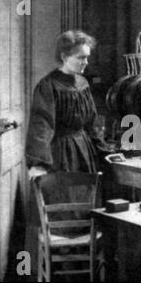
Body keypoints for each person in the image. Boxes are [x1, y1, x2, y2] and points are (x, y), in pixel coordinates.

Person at [26, 30, 110, 178]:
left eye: (87, 57)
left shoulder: (83, 84)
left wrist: (104, 150)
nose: (86, 62)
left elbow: (92, 123)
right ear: (64, 57)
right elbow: (41, 126)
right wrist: (38, 164)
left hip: (84, 152)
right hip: (60, 155)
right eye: (81, 58)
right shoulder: (48, 85)